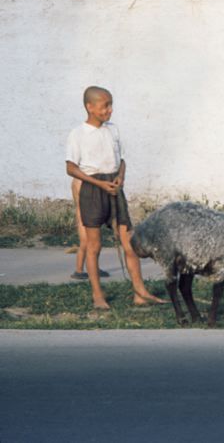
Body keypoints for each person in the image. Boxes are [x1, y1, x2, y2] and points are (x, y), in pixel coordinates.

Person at [65, 86, 166, 309]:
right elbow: (71, 168)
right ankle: (98, 296)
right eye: (105, 106)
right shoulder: (78, 134)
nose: (110, 110)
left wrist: (120, 177)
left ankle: (140, 293)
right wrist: (99, 183)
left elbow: (122, 160)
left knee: (129, 242)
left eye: (111, 105)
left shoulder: (113, 130)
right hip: (93, 189)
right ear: (89, 107)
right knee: (94, 246)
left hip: (114, 187)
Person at [68, 178, 109, 280]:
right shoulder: (77, 181)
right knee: (85, 242)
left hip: (92, 213)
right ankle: (79, 270)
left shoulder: (90, 178)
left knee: (97, 242)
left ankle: (95, 267)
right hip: (83, 215)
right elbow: (81, 201)